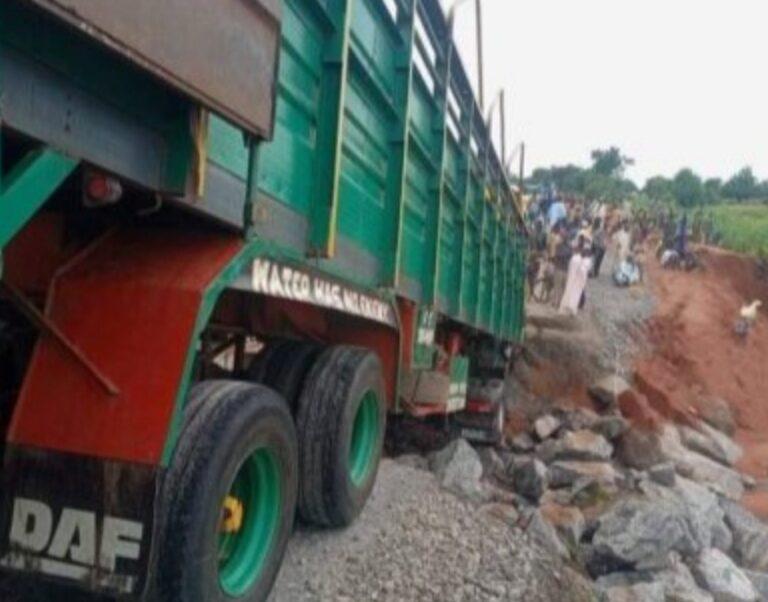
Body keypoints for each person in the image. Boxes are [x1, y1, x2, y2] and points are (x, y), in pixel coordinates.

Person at [559, 239, 593, 315]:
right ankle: (570, 308)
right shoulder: (580, 260)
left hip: (574, 279)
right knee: (574, 295)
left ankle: (567, 308)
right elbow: (582, 272)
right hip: (577, 280)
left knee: (570, 293)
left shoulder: (577, 258)